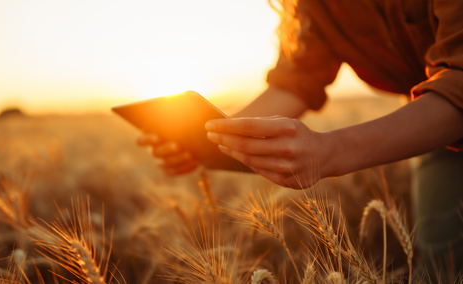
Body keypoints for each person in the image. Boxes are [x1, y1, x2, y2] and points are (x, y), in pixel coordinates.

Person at [137, 0, 463, 277]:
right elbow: (295, 81)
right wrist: (207, 136)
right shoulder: (315, 6)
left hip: (441, 115)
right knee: (444, 268)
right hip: (430, 126)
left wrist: (330, 152)